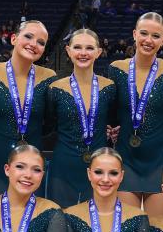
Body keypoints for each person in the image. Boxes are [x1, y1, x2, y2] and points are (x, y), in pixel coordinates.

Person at [0, 21, 57, 199]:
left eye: (41, 42)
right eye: (28, 36)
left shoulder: (49, 78)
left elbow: (50, 122)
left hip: (31, 167)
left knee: (29, 223)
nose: (34, 44)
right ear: (13, 38)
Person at [108, 12, 163, 218]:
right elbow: (112, 111)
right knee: (127, 229)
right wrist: (112, 128)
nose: (149, 40)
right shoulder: (116, 69)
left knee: (157, 230)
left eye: (156, 36)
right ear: (134, 34)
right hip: (126, 157)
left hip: (159, 158)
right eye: (144, 34)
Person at [46, 30, 118, 207]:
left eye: (89, 48)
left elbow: (116, 120)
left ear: (99, 52)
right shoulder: (54, 88)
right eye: (77, 47)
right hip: (63, 167)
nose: (83, 53)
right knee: (61, 223)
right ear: (68, 51)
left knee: (96, 225)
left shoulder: (110, 88)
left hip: (100, 168)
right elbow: (47, 127)